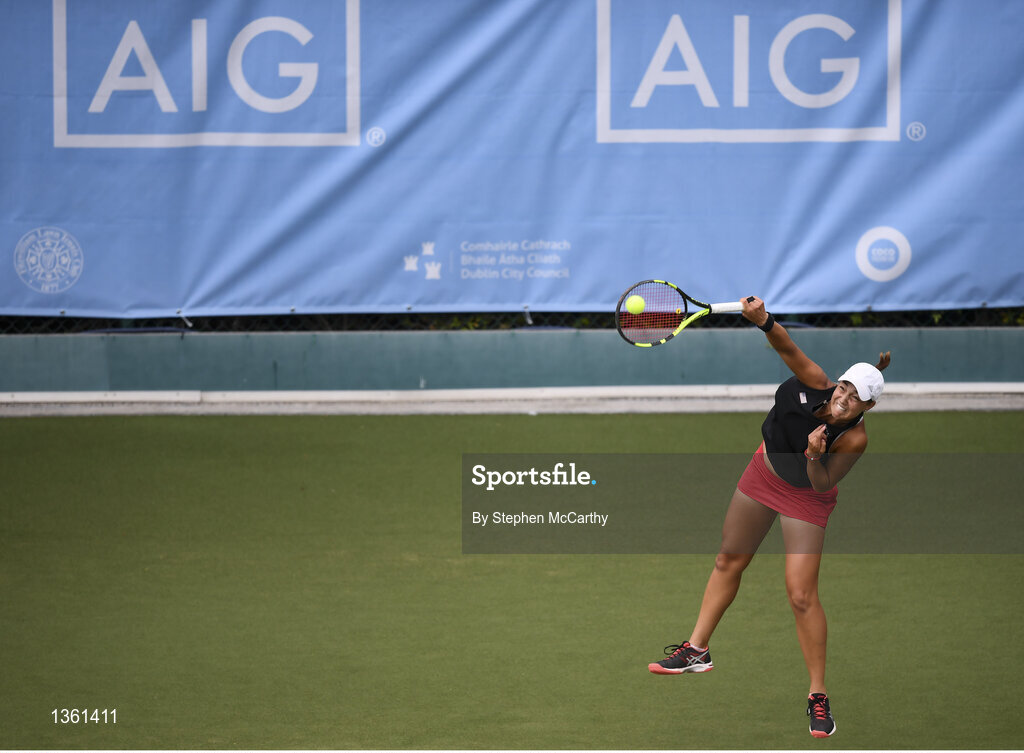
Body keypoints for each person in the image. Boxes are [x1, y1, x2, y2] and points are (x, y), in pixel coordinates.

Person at [647, 296, 891, 740]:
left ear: (867, 408)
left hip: (806, 497)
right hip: (764, 472)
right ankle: (697, 650)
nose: (844, 399)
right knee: (728, 560)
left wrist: (816, 455)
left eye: (856, 399)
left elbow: (820, 485)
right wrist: (764, 320)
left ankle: (818, 694)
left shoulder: (854, 439)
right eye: (844, 388)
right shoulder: (813, 383)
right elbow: (786, 347)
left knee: (800, 596)